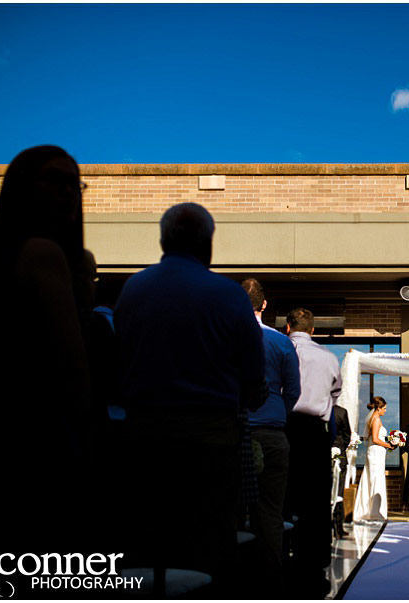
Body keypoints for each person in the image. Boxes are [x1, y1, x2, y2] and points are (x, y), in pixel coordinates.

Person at [115, 202, 267, 593]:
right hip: (211, 441)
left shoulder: (134, 289)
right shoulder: (228, 296)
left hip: (143, 438)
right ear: (208, 245)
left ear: (163, 240)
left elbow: (120, 361)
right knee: (209, 547)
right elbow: (253, 376)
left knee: (146, 548)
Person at [0, 145, 94, 560]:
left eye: (74, 183)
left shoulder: (1, 257)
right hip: (47, 445)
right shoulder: (42, 255)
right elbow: (72, 369)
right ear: (23, 187)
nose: (68, 192)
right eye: (55, 180)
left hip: (7, 442)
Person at [240, 278, 300, 596]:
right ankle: (270, 583)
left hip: (235, 433)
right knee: (271, 512)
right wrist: (277, 411)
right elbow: (293, 390)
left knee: (230, 510)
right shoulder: (280, 342)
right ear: (264, 306)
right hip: (272, 433)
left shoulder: (226, 338)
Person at [283, 307, 342, 596]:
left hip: (286, 426)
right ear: (314, 330)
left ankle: (282, 553)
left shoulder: (280, 349)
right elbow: (334, 396)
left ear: (288, 328)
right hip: (316, 433)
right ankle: (316, 562)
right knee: (317, 501)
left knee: (284, 495)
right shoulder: (329, 358)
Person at [354, 396, 396, 521]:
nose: (385, 411)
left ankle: (370, 509)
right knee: (376, 479)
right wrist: (389, 445)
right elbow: (376, 439)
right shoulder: (376, 419)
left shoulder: (373, 419)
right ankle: (374, 512)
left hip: (376, 452)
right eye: (384, 408)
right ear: (378, 408)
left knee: (372, 478)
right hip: (376, 453)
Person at [331, 403, 352, 535]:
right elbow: (347, 435)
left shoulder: (318, 409)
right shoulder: (341, 412)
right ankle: (338, 526)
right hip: (339, 454)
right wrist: (341, 446)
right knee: (338, 492)